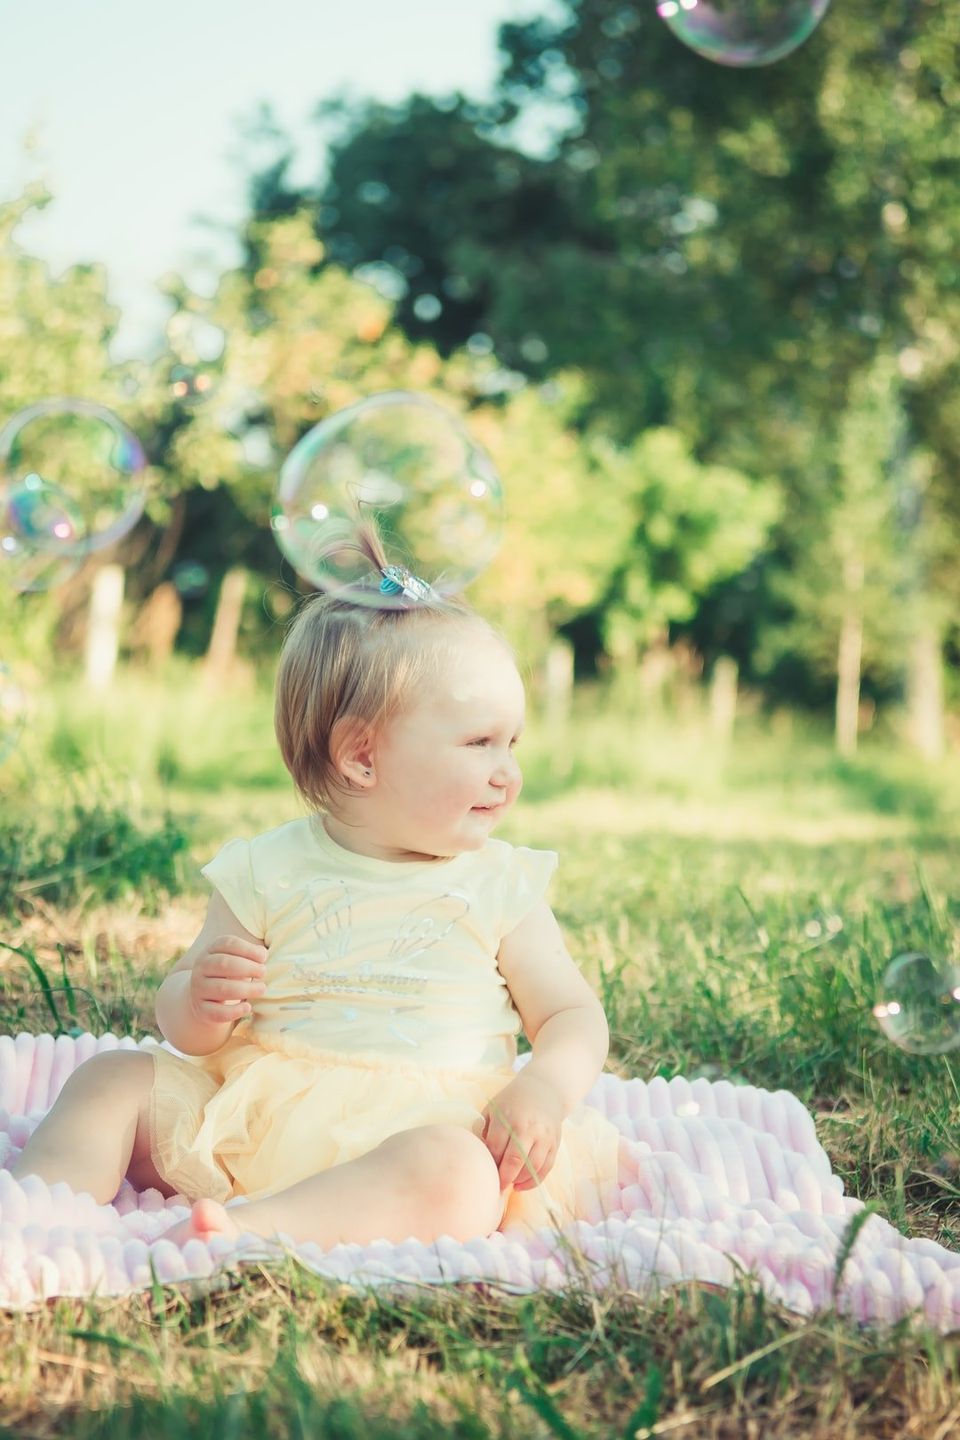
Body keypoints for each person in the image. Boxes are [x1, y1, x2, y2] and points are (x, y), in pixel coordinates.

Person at [12, 526, 623, 1250]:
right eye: (478, 743)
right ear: (362, 757)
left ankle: (243, 1230)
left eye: (511, 742)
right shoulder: (265, 869)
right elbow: (183, 1019)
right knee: (112, 1078)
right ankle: (35, 1218)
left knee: (459, 1177)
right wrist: (199, 999)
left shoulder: (501, 884)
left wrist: (544, 1089)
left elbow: (571, 1016)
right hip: (254, 1119)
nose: (506, 772)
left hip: (427, 1130)